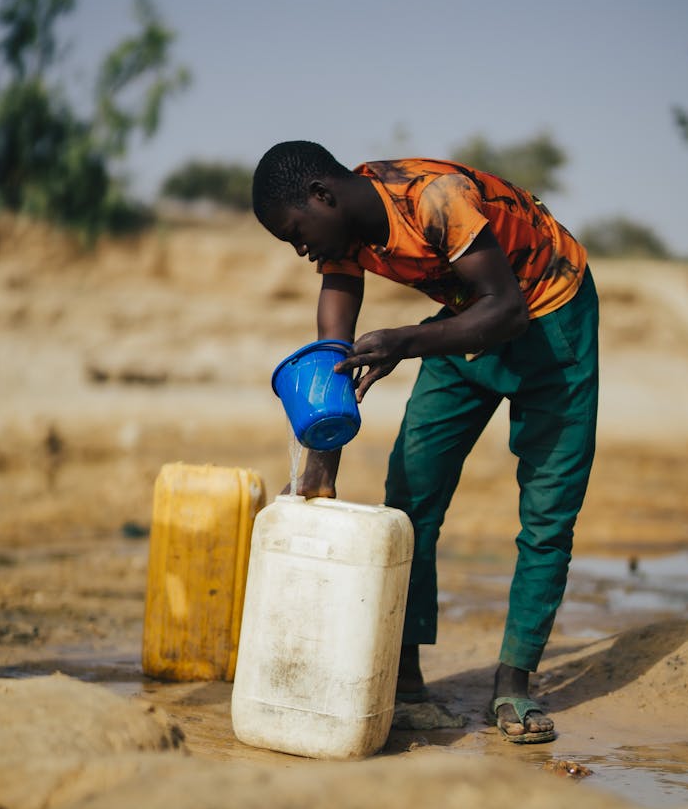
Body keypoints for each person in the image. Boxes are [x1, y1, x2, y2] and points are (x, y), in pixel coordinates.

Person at [252, 141, 599, 744]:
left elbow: (509, 311)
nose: (300, 248)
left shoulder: (435, 200)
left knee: (548, 511)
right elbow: (335, 351)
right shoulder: (345, 231)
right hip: (467, 315)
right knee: (411, 494)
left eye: (296, 233)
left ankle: (513, 681)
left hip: (548, 314)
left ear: (323, 197)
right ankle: (405, 680)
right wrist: (320, 457)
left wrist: (406, 342)